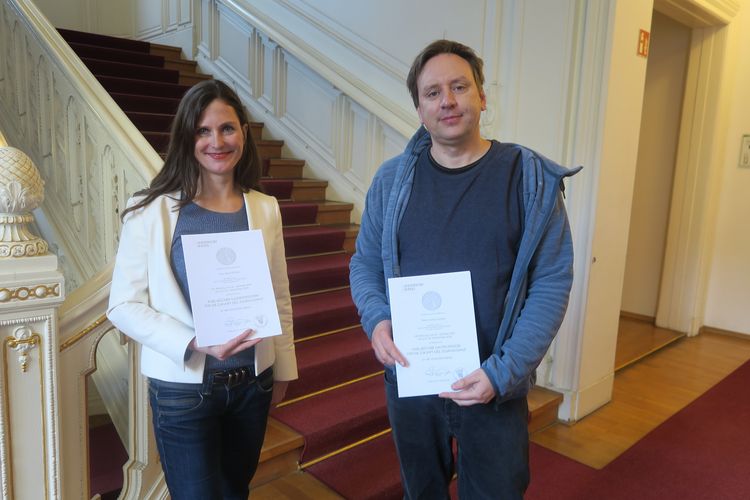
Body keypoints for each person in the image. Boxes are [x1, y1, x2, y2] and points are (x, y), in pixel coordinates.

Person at [349, 40, 580, 498]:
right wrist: (375, 321)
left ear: (482, 96)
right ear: (418, 107)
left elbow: (552, 280)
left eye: (459, 86)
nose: (447, 101)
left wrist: (503, 372)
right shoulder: (392, 180)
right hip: (412, 383)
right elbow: (365, 263)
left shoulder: (527, 175)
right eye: (432, 92)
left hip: (495, 385)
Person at [107, 79, 297, 499]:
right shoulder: (150, 210)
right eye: (203, 131)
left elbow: (279, 295)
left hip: (253, 384)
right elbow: (122, 304)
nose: (217, 141)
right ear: (186, 138)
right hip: (183, 390)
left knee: (236, 492)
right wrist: (194, 341)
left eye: (227, 128)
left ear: (243, 133)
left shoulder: (265, 208)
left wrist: (282, 370)